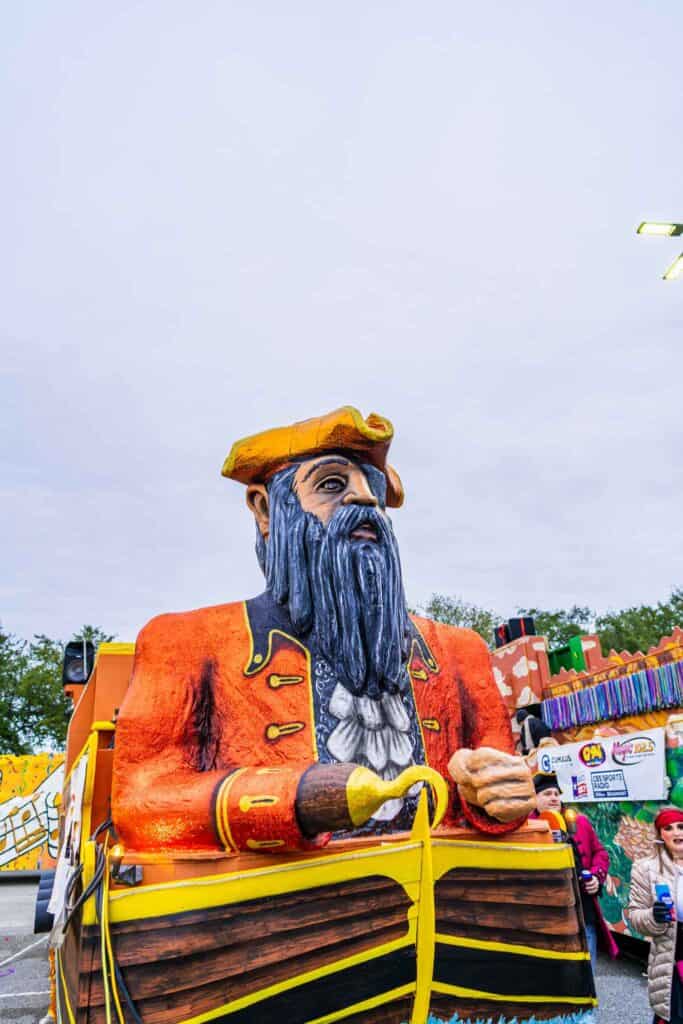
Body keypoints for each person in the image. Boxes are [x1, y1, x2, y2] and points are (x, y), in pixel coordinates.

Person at [111, 406, 535, 853]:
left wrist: (495, 794)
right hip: (283, 918)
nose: (366, 500)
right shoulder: (186, 643)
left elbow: (504, 798)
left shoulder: (458, 652)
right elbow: (141, 802)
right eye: (332, 484)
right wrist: (294, 796)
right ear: (265, 509)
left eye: (372, 489)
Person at [533, 771, 617, 962]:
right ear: (534, 798)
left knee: (588, 967)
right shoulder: (528, 827)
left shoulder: (579, 821)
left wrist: (596, 876)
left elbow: (600, 853)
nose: (554, 798)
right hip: (548, 912)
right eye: (547, 794)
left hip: (583, 909)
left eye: (556, 794)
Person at [628, 807, 683, 1024]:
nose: (677, 833)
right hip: (672, 955)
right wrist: (654, 916)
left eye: (681, 827)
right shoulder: (646, 868)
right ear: (661, 834)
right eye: (669, 828)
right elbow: (635, 915)